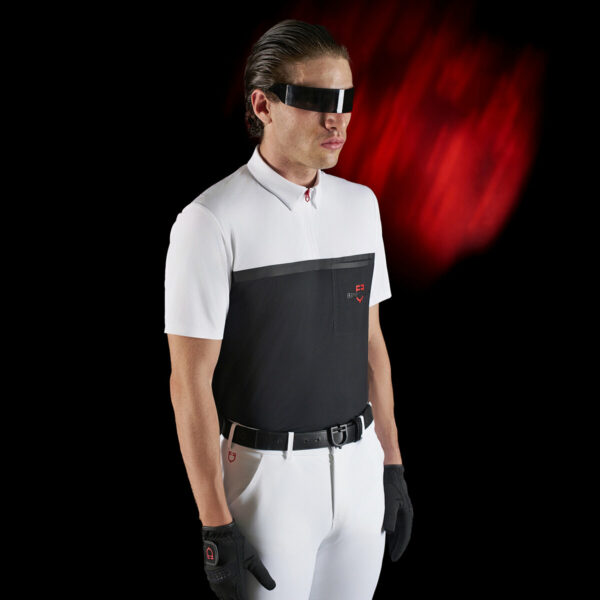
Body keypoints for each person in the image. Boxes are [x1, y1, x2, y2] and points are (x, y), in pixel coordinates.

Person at [164, 19, 413, 600]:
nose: (337, 120)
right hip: (267, 485)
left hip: (360, 471)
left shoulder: (361, 206)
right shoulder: (210, 220)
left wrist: (392, 463)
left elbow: (370, 344)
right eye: (317, 101)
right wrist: (214, 522)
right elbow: (188, 382)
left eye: (345, 101)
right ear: (263, 105)